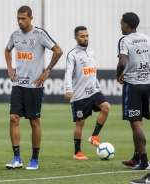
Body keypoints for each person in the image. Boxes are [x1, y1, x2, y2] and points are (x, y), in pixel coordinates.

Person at [4, 5, 63, 170]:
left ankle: (34, 159)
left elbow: (58, 51)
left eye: (23, 18)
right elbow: (7, 50)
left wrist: (47, 71)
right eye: (18, 18)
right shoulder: (15, 35)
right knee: (13, 118)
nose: (20, 22)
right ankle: (16, 159)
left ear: (31, 18)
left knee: (34, 121)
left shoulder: (39, 34)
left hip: (34, 86)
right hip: (18, 84)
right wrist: (10, 68)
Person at [64, 26, 110, 160]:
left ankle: (94, 136)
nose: (85, 38)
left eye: (87, 36)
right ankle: (77, 152)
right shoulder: (72, 54)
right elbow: (68, 73)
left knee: (106, 107)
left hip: (93, 91)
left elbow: (92, 72)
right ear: (76, 38)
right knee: (80, 123)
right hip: (79, 95)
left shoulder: (91, 51)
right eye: (82, 36)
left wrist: (98, 86)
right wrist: (68, 89)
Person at [116, 12, 150, 184]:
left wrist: (118, 75)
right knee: (142, 122)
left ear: (127, 26)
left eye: (121, 23)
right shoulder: (146, 37)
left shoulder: (125, 40)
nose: (120, 26)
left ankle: (144, 161)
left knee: (135, 122)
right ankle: (137, 158)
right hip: (149, 83)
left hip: (134, 85)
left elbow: (123, 61)